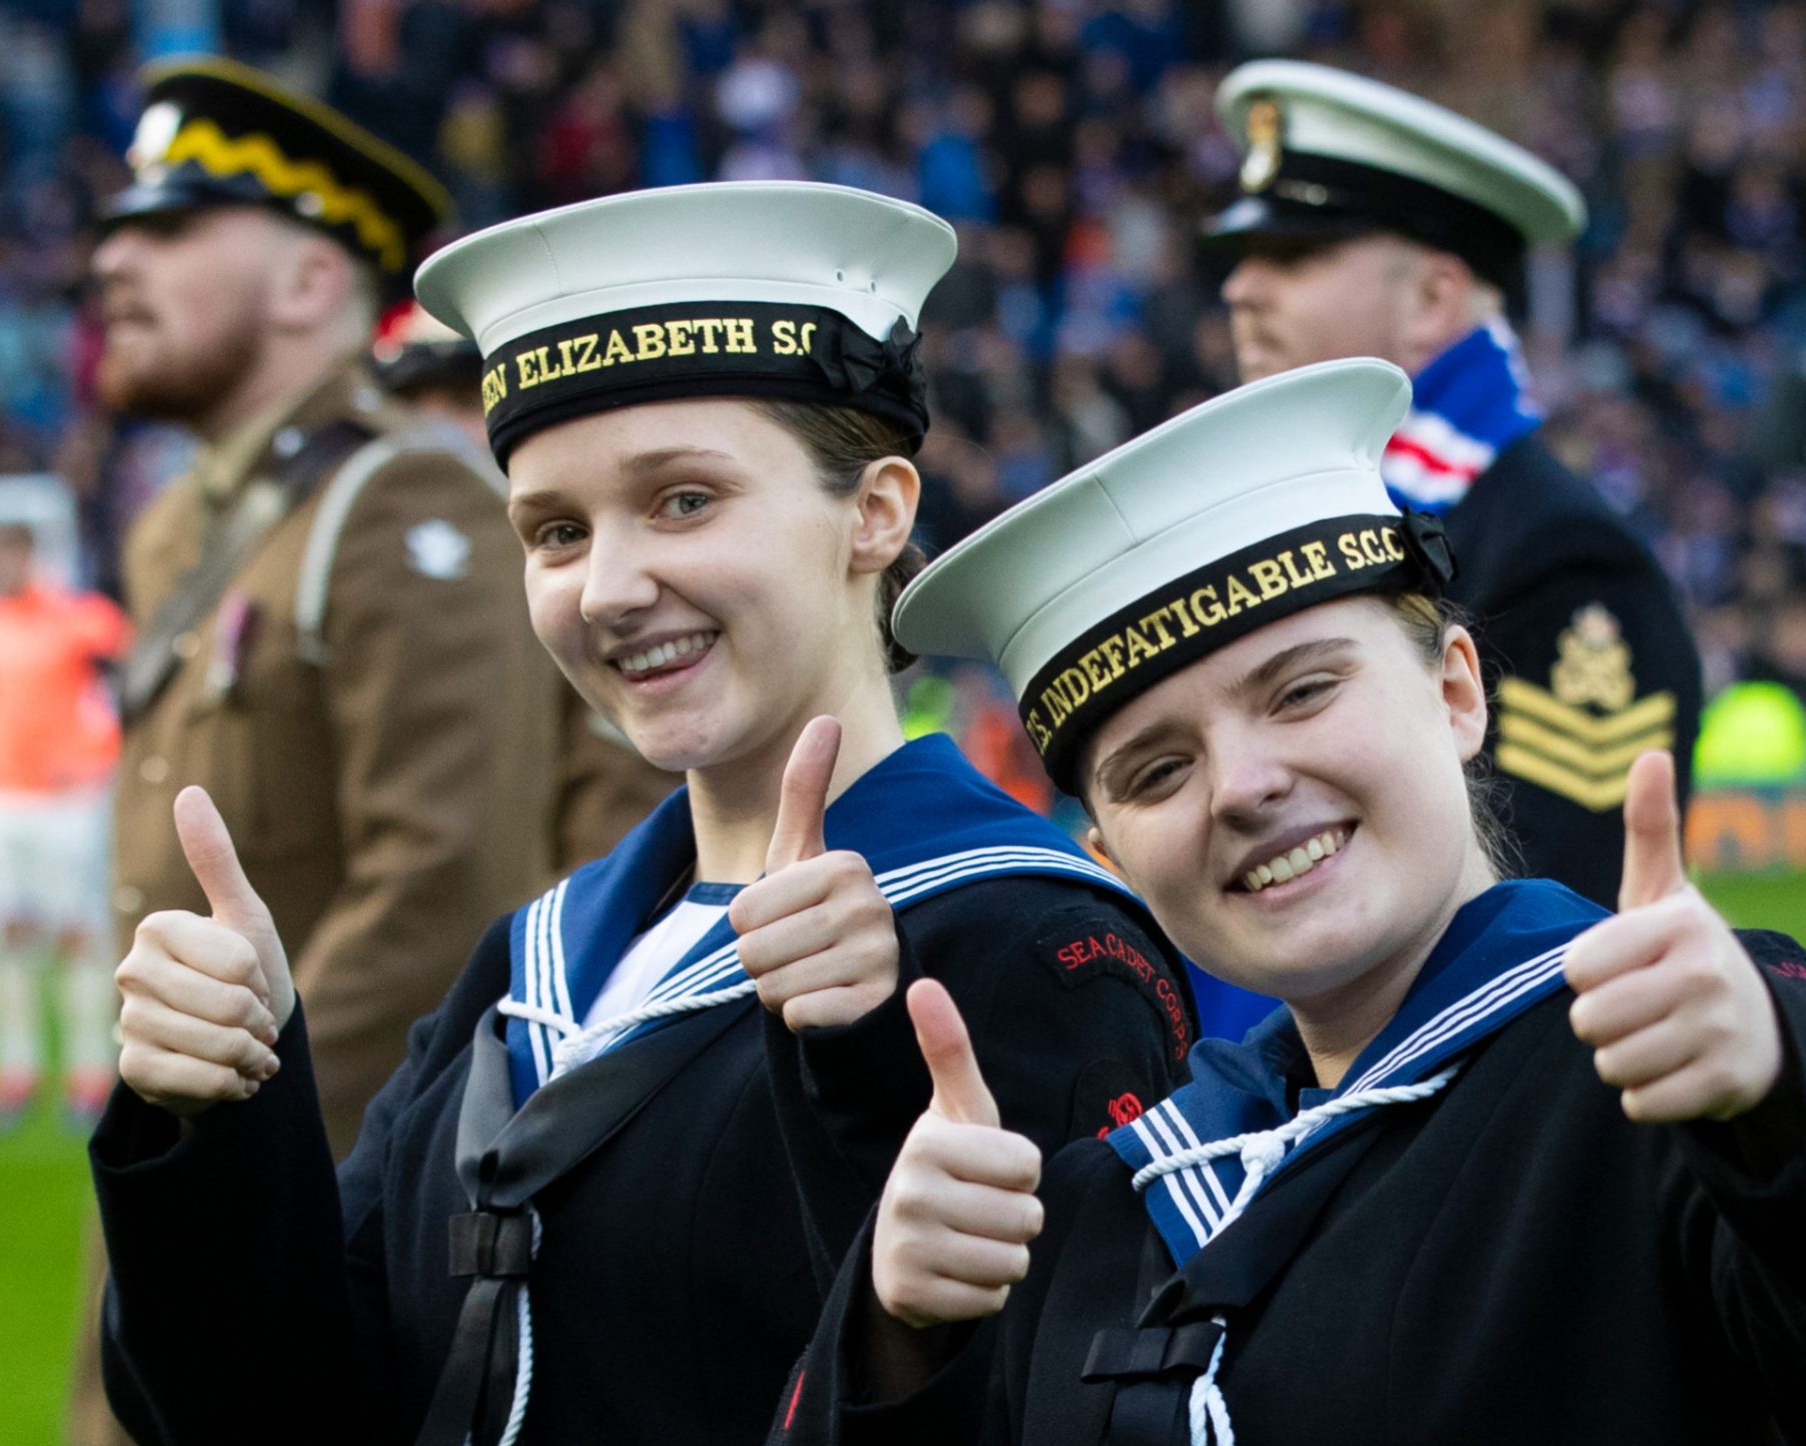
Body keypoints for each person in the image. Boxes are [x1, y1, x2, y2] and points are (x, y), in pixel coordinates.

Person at [89, 182, 1191, 1446]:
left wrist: (870, 1137)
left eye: (683, 501)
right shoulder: (528, 965)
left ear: (876, 513)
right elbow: (277, 1412)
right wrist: (214, 1119)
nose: (609, 588)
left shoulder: (1024, 945)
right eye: (555, 531)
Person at [772, 359, 1806, 1446]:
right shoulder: (1097, 1203)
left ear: (1456, 693)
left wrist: (1774, 1096)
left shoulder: (1655, 1059)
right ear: (1107, 849)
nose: (1245, 787)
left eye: (1302, 692)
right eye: (1159, 769)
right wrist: (897, 1336)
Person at [71, 57, 565, 1446]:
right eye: (116, 228)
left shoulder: (405, 502)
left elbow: (443, 893)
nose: (113, 257)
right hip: (192, 1139)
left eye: (169, 231)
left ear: (306, 284)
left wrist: (227, 1145)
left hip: (302, 1186)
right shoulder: (186, 527)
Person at [1203, 61, 1701, 916]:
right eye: (1245, 256)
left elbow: (1561, 911)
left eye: (1292, 254)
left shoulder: (1562, 558)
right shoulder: (1311, 522)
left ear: (1434, 297)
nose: (1240, 287)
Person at [370, 300, 681, 870]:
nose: (438, 431)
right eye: (412, 406)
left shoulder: (616, 578)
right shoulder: (390, 551)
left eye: (472, 402)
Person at [0, 524, 131, 1128]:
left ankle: (87, 1071)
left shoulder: (82, 620)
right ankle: (15, 1070)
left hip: (65, 804)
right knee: (6, 934)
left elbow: (122, 686)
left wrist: (93, 753)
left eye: (8, 553)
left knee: (78, 935)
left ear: (32, 556)